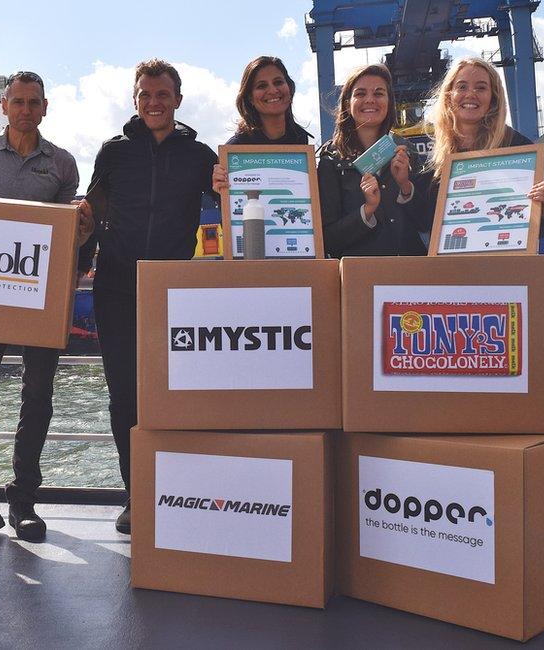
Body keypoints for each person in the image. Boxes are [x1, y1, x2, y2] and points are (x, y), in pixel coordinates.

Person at [0, 71, 92, 544]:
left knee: (38, 396)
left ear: (45, 108)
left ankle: (24, 500)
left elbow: (71, 235)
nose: (26, 110)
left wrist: (84, 226)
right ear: (4, 106)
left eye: (34, 103)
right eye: (18, 102)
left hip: (41, 297)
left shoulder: (63, 165)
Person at [78, 59, 217, 534]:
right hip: (115, 286)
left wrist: (228, 184)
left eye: (162, 94)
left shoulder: (201, 157)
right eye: (145, 95)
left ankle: (177, 492)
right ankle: (136, 494)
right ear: (134, 100)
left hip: (173, 290)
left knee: (175, 396)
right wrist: (72, 276)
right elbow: (90, 217)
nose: (154, 102)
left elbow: (232, 211)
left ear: (178, 99)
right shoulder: (112, 152)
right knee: (124, 396)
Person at [408, 57, 544, 239]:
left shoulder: (519, 147)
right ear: (449, 95)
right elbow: (422, 223)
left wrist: (543, 208)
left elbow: (542, 229)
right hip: (452, 265)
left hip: (503, 263)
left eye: (481, 87)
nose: (471, 94)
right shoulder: (435, 157)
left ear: (493, 98)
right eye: (462, 87)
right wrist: (404, 186)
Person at [316, 64, 424, 257]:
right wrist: (367, 211)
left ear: (389, 101)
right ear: (348, 103)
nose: (370, 100)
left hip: (410, 274)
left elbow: (426, 222)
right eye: (361, 93)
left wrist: (405, 186)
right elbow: (325, 240)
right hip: (359, 275)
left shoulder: (407, 151)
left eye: (379, 93)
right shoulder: (330, 159)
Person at [211, 56, 311, 193]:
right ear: (250, 98)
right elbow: (231, 208)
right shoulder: (235, 149)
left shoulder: (300, 139)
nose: (272, 90)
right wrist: (219, 189)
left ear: (289, 88)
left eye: (278, 82)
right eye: (261, 86)